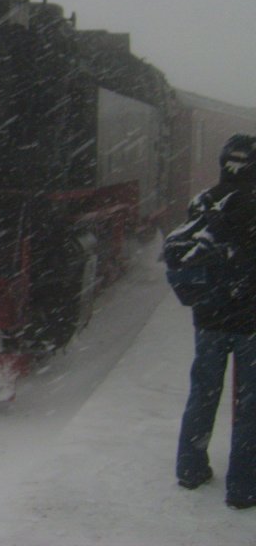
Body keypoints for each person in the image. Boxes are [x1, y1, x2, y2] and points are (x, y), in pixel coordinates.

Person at [174, 134, 256, 510]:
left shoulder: (204, 201)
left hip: (209, 319)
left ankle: (190, 468)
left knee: (203, 393)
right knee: (250, 403)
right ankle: (243, 487)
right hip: (252, 322)